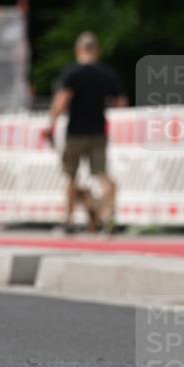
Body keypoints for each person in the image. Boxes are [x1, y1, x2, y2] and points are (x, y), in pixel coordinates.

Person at [46, 32, 126, 233]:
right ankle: (109, 217)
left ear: (78, 50)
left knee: (71, 177)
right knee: (102, 174)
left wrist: (51, 124)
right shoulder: (107, 74)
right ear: (97, 50)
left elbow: (62, 101)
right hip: (98, 131)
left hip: (76, 132)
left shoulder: (72, 73)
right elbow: (120, 102)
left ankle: (69, 220)